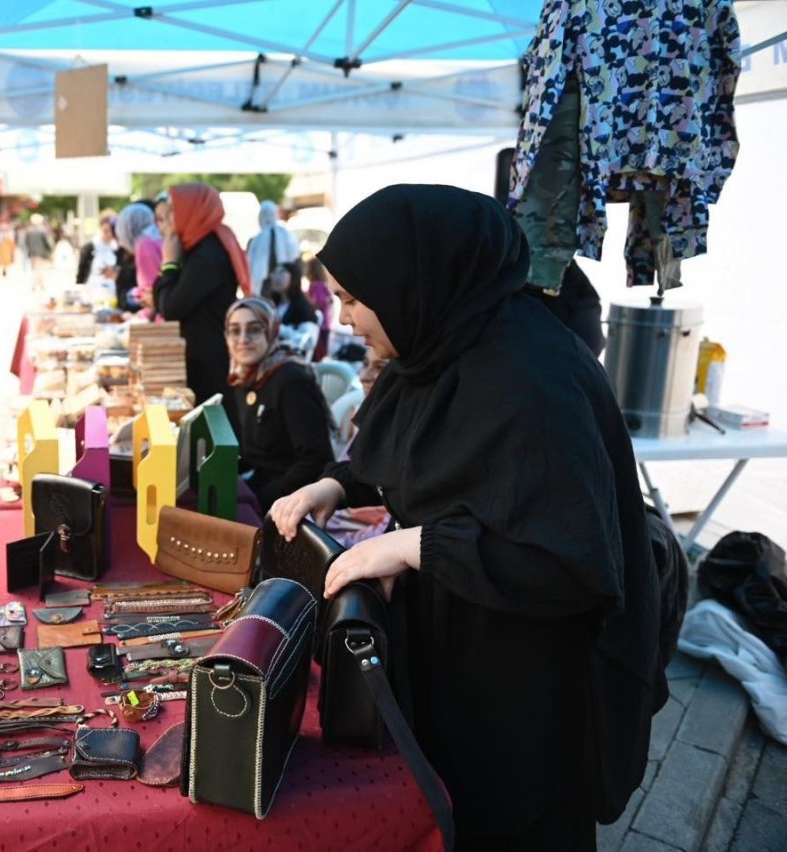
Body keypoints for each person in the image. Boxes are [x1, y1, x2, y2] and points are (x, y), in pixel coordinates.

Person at [270, 185, 663, 849]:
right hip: (465, 653)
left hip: (527, 685)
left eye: (355, 299)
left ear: (413, 285)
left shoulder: (530, 382)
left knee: (512, 824)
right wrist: (334, 484)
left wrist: (410, 546)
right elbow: (410, 444)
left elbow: (566, 562)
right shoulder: (444, 339)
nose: (345, 318)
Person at [223, 296, 332, 511]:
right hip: (263, 491)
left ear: (272, 331)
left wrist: (259, 500)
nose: (243, 339)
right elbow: (254, 454)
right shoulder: (245, 378)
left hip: (291, 505)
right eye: (235, 330)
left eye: (254, 329)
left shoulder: (291, 381)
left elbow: (316, 462)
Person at [154, 183, 251, 404]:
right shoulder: (198, 248)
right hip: (204, 354)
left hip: (209, 361)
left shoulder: (207, 256)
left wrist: (169, 264)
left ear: (192, 211)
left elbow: (170, 308)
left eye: (173, 211)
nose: (169, 221)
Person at [246, 199, 301, 294]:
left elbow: (251, 268)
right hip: (284, 285)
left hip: (266, 288)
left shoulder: (257, 240)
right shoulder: (286, 235)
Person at [305, 256, 334, 361]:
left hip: (320, 327)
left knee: (316, 357)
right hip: (326, 324)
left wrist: (306, 299)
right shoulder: (324, 285)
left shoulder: (315, 285)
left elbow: (317, 304)